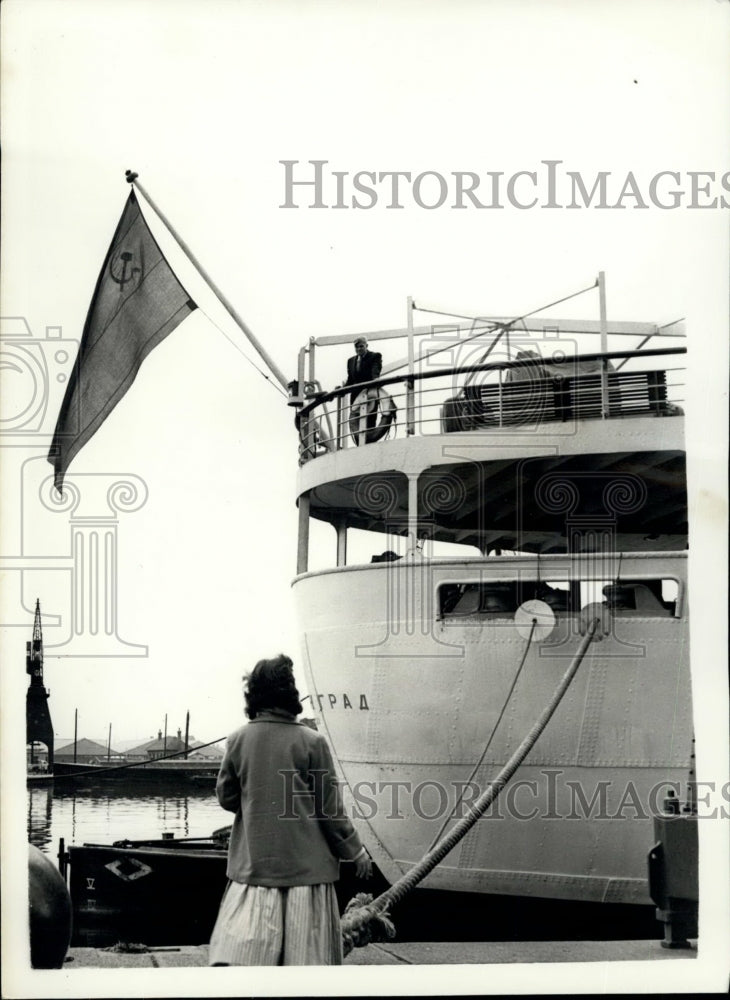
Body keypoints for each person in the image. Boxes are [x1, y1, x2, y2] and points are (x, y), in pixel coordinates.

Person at [209, 654, 371, 966]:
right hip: (306, 880)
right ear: (291, 693)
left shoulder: (237, 740)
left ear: (253, 693)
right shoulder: (313, 743)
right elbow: (330, 810)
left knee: (249, 970)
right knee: (305, 972)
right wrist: (356, 851)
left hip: (255, 875)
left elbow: (227, 798)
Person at [345, 337, 383, 439]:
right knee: (356, 426)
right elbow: (350, 380)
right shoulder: (350, 361)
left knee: (370, 423)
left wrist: (376, 379)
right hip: (355, 399)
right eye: (356, 347)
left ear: (366, 346)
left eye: (361, 346)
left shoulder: (375, 356)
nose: (359, 349)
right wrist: (340, 390)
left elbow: (375, 372)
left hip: (370, 396)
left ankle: (370, 445)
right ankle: (359, 445)